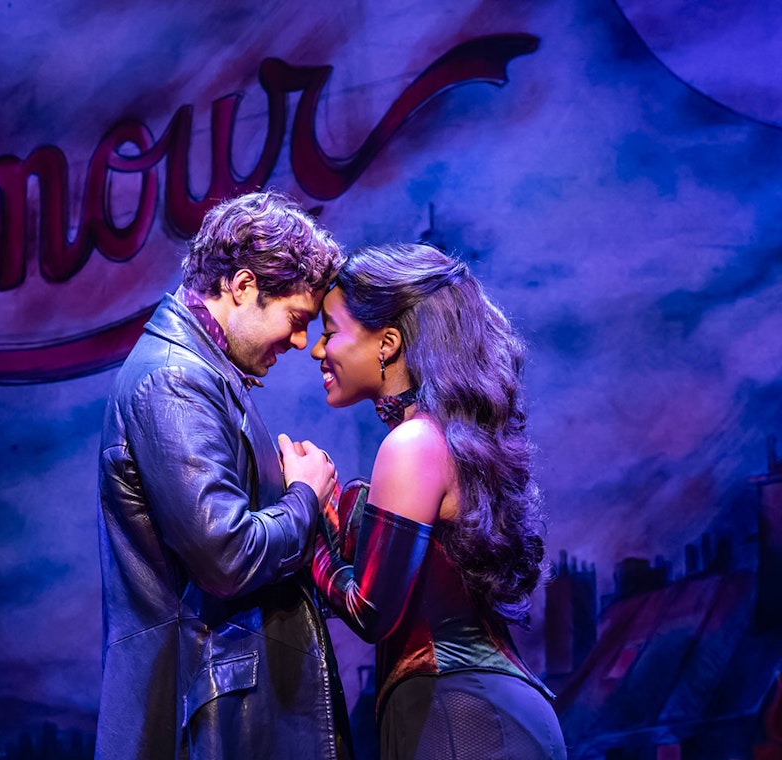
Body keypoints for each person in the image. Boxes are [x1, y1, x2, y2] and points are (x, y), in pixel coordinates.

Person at [96, 191, 353, 759]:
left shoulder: (204, 373)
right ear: (242, 286)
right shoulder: (173, 380)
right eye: (296, 320)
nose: (301, 342)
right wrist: (303, 496)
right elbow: (227, 556)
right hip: (203, 717)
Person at [309, 243, 566, 758]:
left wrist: (310, 516)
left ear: (387, 343)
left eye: (330, 331)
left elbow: (370, 612)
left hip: (460, 712)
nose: (317, 350)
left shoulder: (414, 443)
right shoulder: (444, 439)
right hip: (481, 708)